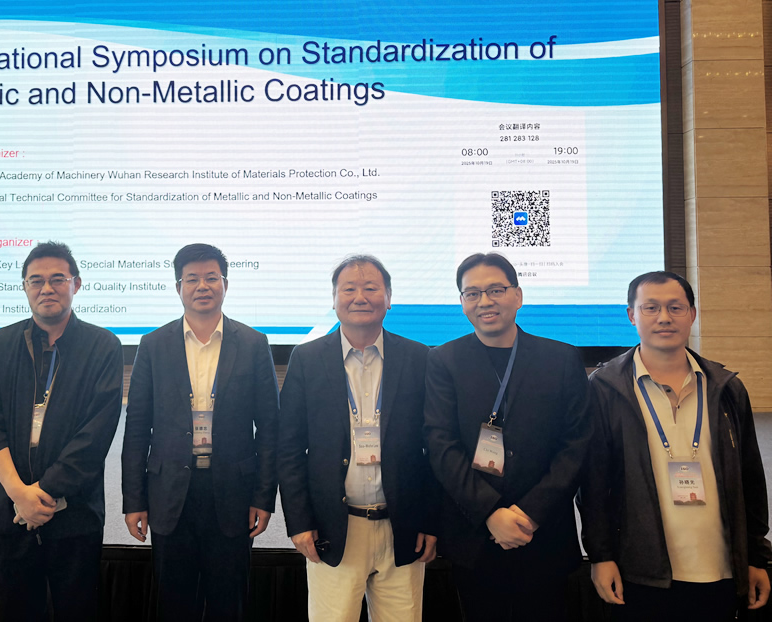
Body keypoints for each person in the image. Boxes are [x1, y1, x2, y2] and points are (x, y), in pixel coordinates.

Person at [580, 271, 771, 620]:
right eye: (651, 307)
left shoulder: (726, 388)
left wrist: (757, 557)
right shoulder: (605, 388)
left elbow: (751, 478)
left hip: (720, 568)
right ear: (632, 315)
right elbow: (593, 483)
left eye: (675, 307)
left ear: (692, 314)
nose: (664, 317)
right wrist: (600, 556)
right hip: (640, 571)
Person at [424, 252, 591, 621]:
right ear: (462, 302)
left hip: (545, 534)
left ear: (517, 295)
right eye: (472, 293)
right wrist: (490, 512)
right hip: (474, 537)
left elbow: (576, 445)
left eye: (495, 290)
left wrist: (529, 513)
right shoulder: (444, 360)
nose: (484, 301)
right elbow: (441, 445)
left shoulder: (561, 359)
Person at [0, 241, 124, 622]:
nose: (46, 288)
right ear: (24, 287)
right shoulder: (0, 343)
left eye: (57, 279)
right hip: (10, 509)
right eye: (36, 281)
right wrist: (20, 494)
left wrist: (44, 494)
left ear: (76, 284)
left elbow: (95, 435)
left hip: (75, 513)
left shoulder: (103, 346)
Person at [121, 243, 279, 621]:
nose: (202, 286)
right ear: (179, 287)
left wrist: (264, 497)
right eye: (192, 279)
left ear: (226, 284)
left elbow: (270, 428)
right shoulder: (153, 345)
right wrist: (134, 499)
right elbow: (137, 428)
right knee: (174, 604)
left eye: (212, 278)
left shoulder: (254, 344)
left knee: (229, 603)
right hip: (169, 493)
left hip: (233, 493)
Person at [278, 255, 437, 621]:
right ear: (334, 299)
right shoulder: (307, 359)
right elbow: (289, 449)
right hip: (334, 527)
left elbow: (433, 448)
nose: (360, 297)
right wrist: (299, 522)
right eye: (349, 289)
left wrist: (431, 521)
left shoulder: (419, 357)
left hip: (402, 527)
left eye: (371, 288)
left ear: (389, 297)